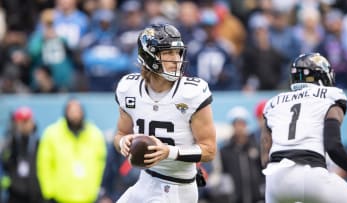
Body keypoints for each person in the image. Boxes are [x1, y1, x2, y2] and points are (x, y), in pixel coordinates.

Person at [113, 23, 217, 203]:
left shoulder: (191, 93)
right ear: (149, 56)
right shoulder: (129, 88)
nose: (176, 59)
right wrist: (123, 142)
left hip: (177, 187)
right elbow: (120, 134)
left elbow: (209, 150)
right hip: (145, 180)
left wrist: (169, 152)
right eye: (168, 53)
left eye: (177, 52)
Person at [261, 53, 347, 203]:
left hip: (275, 181)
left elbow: (264, 156)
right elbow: (333, 146)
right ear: (322, 75)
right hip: (311, 173)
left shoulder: (273, 103)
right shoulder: (331, 96)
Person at [36, 98, 107, 203]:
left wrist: (98, 189)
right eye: (72, 111)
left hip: (89, 197)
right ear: (65, 113)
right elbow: (44, 165)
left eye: (77, 111)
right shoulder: (51, 134)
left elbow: (102, 163)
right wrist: (49, 193)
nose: (75, 115)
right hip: (60, 197)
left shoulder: (95, 134)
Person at [219, 106, 264, 203]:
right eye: (236, 124)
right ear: (232, 126)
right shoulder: (225, 150)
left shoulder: (255, 146)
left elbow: (262, 170)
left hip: (256, 197)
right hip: (236, 198)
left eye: (242, 124)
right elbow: (224, 175)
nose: (239, 127)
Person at [1, 107, 44, 203]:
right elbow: (5, 164)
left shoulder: (39, 144)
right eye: (21, 122)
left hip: (35, 193)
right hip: (15, 193)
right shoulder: (9, 144)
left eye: (26, 121)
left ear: (32, 122)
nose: (24, 125)